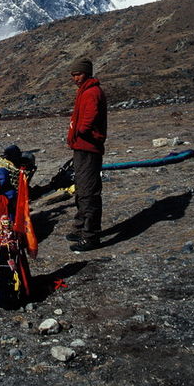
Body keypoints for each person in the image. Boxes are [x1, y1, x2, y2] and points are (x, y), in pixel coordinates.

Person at [66, 57, 107, 252]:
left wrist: (80, 131)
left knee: (88, 191)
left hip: (88, 147)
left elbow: (89, 117)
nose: (75, 78)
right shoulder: (86, 90)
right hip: (82, 147)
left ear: (87, 73)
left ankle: (90, 235)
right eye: (73, 75)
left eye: (78, 74)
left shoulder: (91, 92)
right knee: (82, 188)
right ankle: (81, 226)